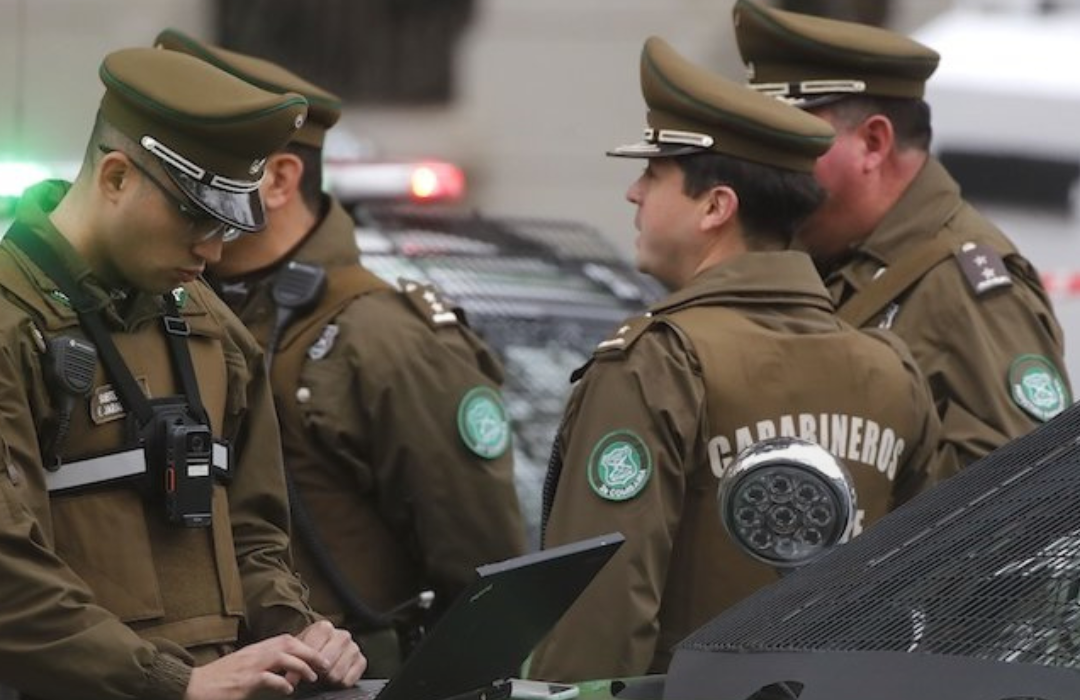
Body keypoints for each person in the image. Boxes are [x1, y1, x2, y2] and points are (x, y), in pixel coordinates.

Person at [528, 36, 946, 682]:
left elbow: (599, 614)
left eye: (654, 174)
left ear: (716, 206)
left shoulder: (657, 363)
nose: (634, 194)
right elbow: (921, 591)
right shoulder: (892, 370)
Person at [153, 30, 528, 675]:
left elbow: (481, 567)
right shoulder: (177, 310)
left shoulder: (382, 335)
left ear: (278, 179)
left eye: (197, 166)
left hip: (343, 678)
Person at [0, 47, 365, 700]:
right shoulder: (13, 326)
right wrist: (173, 683)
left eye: (227, 221)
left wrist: (301, 633)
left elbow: (253, 536)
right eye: (195, 215)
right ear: (115, 178)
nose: (214, 249)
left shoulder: (212, 331)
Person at [732, 0, 1072, 468]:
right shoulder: (821, 256)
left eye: (790, 138)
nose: (766, 162)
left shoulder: (962, 285)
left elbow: (1021, 491)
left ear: (873, 143)